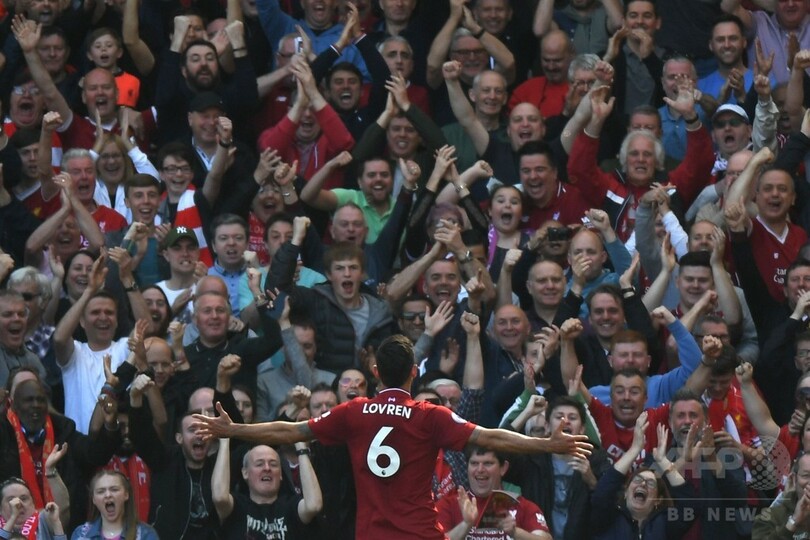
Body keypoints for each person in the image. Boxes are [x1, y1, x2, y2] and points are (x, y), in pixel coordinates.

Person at [191, 334, 593, 540]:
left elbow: (290, 430)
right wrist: (548, 444)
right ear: (414, 373)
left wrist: (235, 429)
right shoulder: (430, 415)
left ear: (376, 372)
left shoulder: (354, 411)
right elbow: (492, 438)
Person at [436, 447, 552, 539]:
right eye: (474, 463)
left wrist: (515, 532)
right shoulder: (448, 505)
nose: (480, 469)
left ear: (503, 468)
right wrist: (466, 524)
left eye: (488, 463)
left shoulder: (524, 506)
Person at [71, 470, 158, 540]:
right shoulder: (81, 534)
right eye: (101, 491)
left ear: (126, 494)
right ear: (94, 499)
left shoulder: (145, 534)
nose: (108, 495)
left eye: (114, 489)